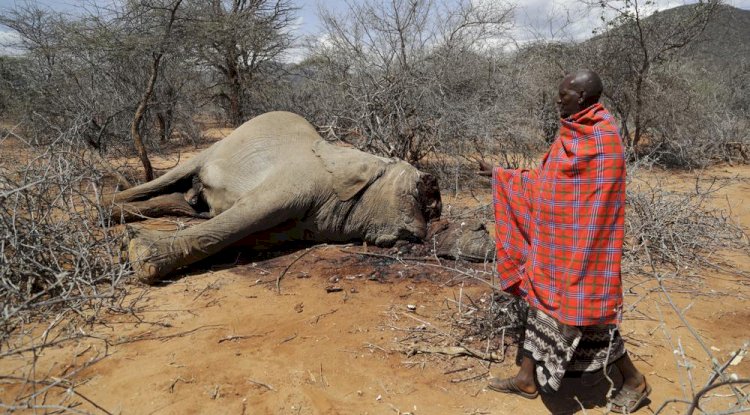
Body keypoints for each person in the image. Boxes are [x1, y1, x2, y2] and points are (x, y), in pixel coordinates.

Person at [478, 69, 650, 413]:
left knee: (590, 318)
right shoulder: (570, 134)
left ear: (583, 97)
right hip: (555, 244)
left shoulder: (603, 139)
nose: (558, 100)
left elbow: (597, 202)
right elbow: (548, 184)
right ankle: (527, 378)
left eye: (564, 95)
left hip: (587, 249)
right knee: (538, 300)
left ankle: (634, 380)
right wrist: (503, 176)